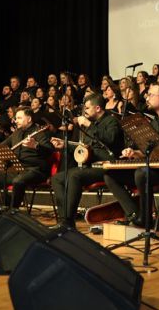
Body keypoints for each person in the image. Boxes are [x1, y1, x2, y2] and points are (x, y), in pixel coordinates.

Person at [102, 83, 159, 225]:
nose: (147, 98)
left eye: (151, 95)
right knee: (110, 175)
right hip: (152, 169)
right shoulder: (153, 123)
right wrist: (134, 152)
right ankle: (134, 214)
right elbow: (147, 152)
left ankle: (145, 219)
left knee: (141, 173)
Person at [49, 93, 124, 227]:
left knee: (74, 176)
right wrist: (65, 145)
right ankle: (64, 218)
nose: (85, 111)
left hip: (106, 165)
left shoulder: (111, 121)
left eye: (87, 108)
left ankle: (68, 221)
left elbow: (110, 139)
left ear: (98, 108)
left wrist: (89, 125)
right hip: (90, 165)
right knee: (57, 178)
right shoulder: (91, 125)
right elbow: (85, 149)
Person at [0, 107, 53, 211]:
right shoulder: (16, 133)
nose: (16, 121)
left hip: (35, 170)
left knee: (18, 181)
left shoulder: (39, 133)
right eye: (16, 118)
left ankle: (13, 212)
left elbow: (50, 150)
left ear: (29, 119)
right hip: (17, 170)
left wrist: (36, 145)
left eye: (19, 118)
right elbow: (0, 147)